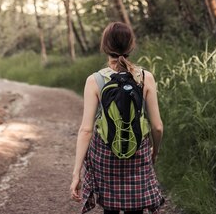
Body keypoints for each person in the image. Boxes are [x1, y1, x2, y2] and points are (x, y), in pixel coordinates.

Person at [70, 21, 165, 214]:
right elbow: (157, 127)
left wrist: (76, 173)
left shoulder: (94, 80)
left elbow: (86, 130)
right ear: (131, 46)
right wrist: (153, 153)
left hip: (105, 156)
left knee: (110, 210)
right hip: (137, 153)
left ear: (105, 47)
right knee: (136, 208)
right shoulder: (146, 77)